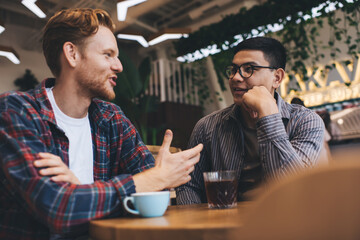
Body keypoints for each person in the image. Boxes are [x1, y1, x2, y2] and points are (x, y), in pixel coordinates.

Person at [0, 8, 203, 239]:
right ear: (72, 54)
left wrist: (80, 193)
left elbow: (153, 199)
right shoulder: (17, 111)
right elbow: (58, 209)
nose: (119, 66)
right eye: (108, 54)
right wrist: (152, 179)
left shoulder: (111, 118)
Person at [176, 37, 324, 205]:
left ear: (277, 77)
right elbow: (189, 185)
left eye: (249, 69)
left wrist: (268, 115)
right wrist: (200, 224)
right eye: (234, 69)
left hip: (286, 225)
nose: (236, 78)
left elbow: (294, 189)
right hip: (225, 225)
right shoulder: (207, 127)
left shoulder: (306, 121)